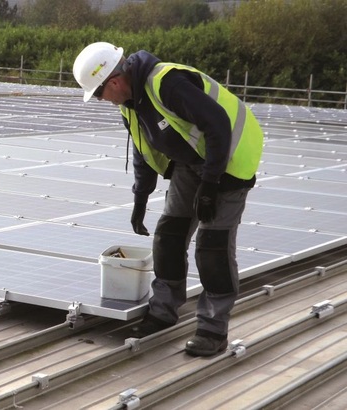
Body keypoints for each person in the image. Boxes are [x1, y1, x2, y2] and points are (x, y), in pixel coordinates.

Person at [73, 42, 263, 356]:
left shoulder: (167, 83)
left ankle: (212, 330)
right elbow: (142, 150)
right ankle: (162, 311)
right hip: (193, 162)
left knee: (212, 247)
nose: (100, 100)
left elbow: (218, 125)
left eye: (98, 93)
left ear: (115, 82)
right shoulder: (130, 104)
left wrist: (211, 184)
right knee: (169, 237)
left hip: (229, 159)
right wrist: (140, 197)